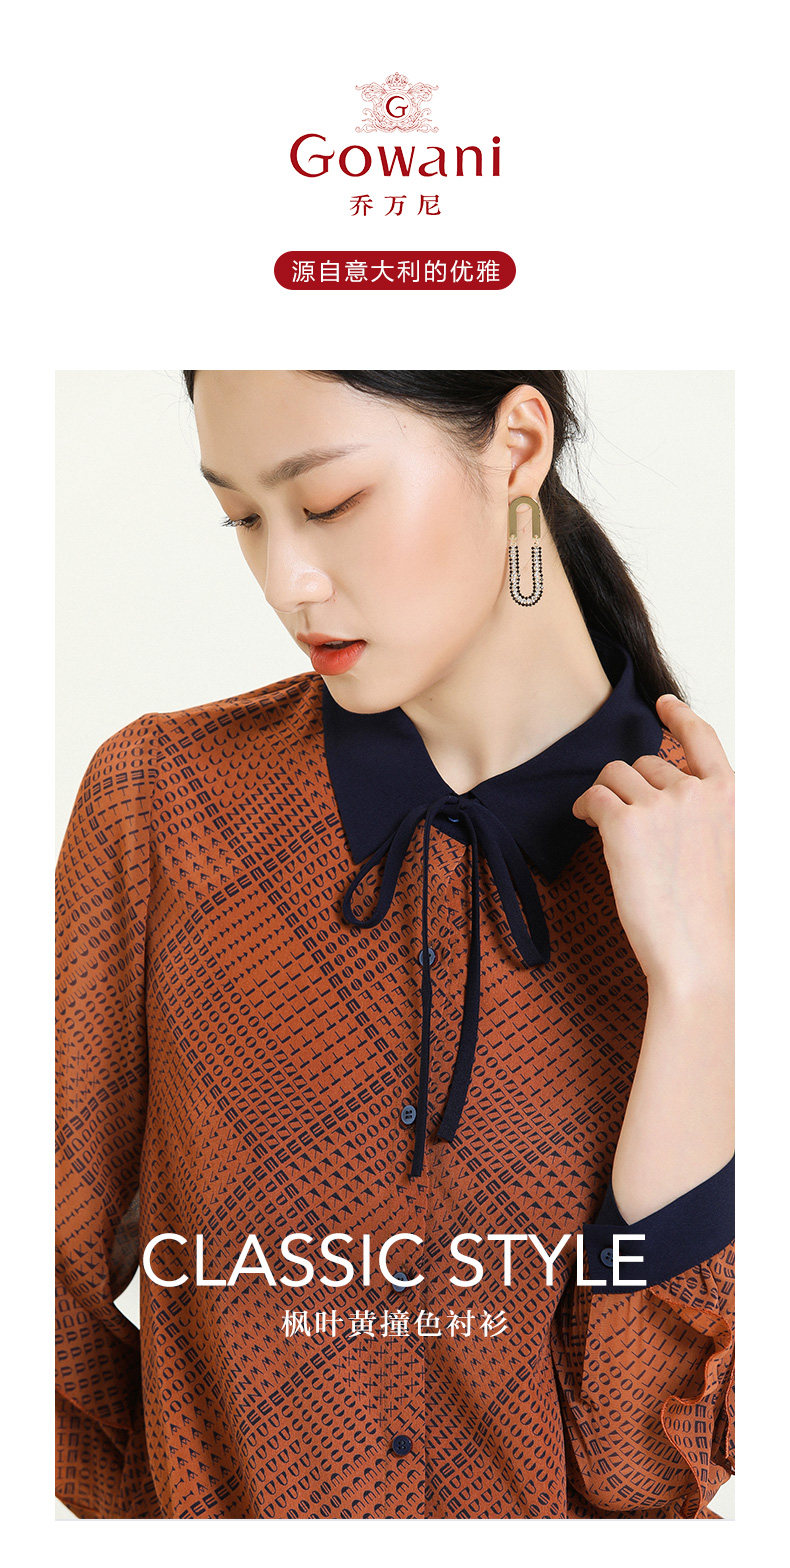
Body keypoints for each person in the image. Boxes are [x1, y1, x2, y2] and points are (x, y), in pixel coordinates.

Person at [55, 370, 734, 1520]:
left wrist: (700, 989)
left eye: (330, 503)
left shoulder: (720, 876)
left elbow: (642, 1463)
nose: (287, 579)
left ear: (517, 446)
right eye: (241, 517)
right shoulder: (163, 803)